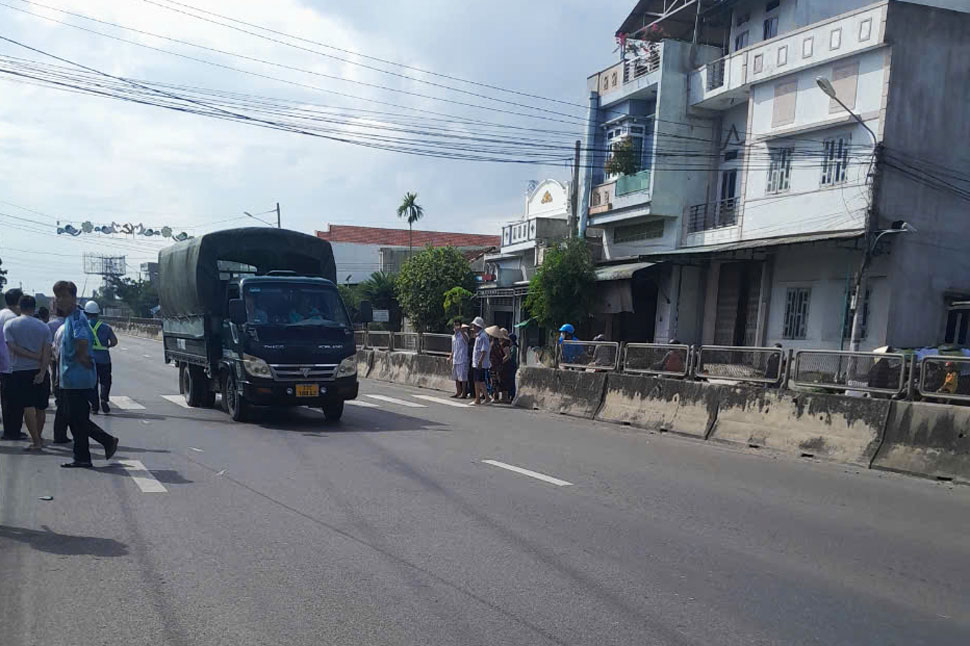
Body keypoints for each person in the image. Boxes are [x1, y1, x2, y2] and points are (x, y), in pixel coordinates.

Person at [53, 280, 119, 468]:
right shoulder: (71, 317)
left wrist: (82, 357)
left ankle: (104, 442)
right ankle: (84, 455)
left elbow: (81, 339)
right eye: (58, 296)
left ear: (73, 297)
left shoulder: (76, 318)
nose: (60, 300)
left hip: (77, 379)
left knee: (76, 418)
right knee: (75, 419)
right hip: (71, 378)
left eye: (64, 296)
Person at [4, 295, 52, 450]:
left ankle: (36, 440)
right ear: (34, 307)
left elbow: (13, 348)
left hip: (20, 371)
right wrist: (42, 371)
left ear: (19, 306)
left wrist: (32, 356)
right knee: (41, 407)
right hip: (40, 370)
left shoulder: (10, 325)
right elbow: (47, 352)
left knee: (28, 407)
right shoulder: (43, 327)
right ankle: (39, 436)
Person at [83, 301, 118, 414]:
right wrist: (106, 346)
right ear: (98, 314)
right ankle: (104, 398)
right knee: (105, 380)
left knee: (92, 383)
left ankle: (94, 406)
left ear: (86, 313)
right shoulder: (106, 327)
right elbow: (114, 341)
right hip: (104, 359)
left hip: (89, 359)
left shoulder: (83, 327)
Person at [0, 288, 23, 439]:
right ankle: (13, 431)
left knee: (6, 399)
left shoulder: (1, 314)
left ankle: (9, 429)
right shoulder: (13, 319)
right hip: (11, 363)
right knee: (14, 401)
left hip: (3, 363)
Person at [48, 306, 70, 444]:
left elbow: (53, 347)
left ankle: (60, 435)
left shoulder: (55, 327)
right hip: (68, 372)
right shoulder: (69, 328)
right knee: (73, 410)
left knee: (64, 407)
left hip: (56, 360)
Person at [470, 316, 491, 405]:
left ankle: (478, 399)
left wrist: (480, 361)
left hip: (480, 363)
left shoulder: (483, 336)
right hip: (477, 362)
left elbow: (484, 350)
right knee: (479, 381)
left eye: (474, 326)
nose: (473, 327)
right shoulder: (478, 336)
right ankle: (486, 397)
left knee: (478, 381)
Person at [448, 319, 469, 399]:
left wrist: (462, 331)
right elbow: (453, 348)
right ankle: (458, 392)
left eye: (458, 325)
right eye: (455, 325)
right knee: (456, 377)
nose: (456, 327)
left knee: (463, 378)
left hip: (462, 359)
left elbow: (467, 340)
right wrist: (451, 356)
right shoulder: (453, 337)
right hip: (456, 359)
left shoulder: (464, 334)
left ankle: (464, 393)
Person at [487, 326, 507, 402]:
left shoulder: (493, 344)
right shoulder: (498, 344)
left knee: (494, 381)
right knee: (496, 381)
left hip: (494, 365)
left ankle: (495, 396)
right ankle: (495, 396)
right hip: (497, 365)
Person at [506, 333, 519, 401]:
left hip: (512, 366)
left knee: (511, 381)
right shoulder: (510, 347)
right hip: (509, 366)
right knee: (509, 381)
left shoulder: (513, 347)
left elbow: (511, 357)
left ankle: (512, 395)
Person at [463, 324, 475, 398]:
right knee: (470, 376)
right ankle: (471, 391)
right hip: (470, 360)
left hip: (475, 360)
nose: (472, 333)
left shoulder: (477, 340)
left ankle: (474, 393)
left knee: (474, 377)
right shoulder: (470, 340)